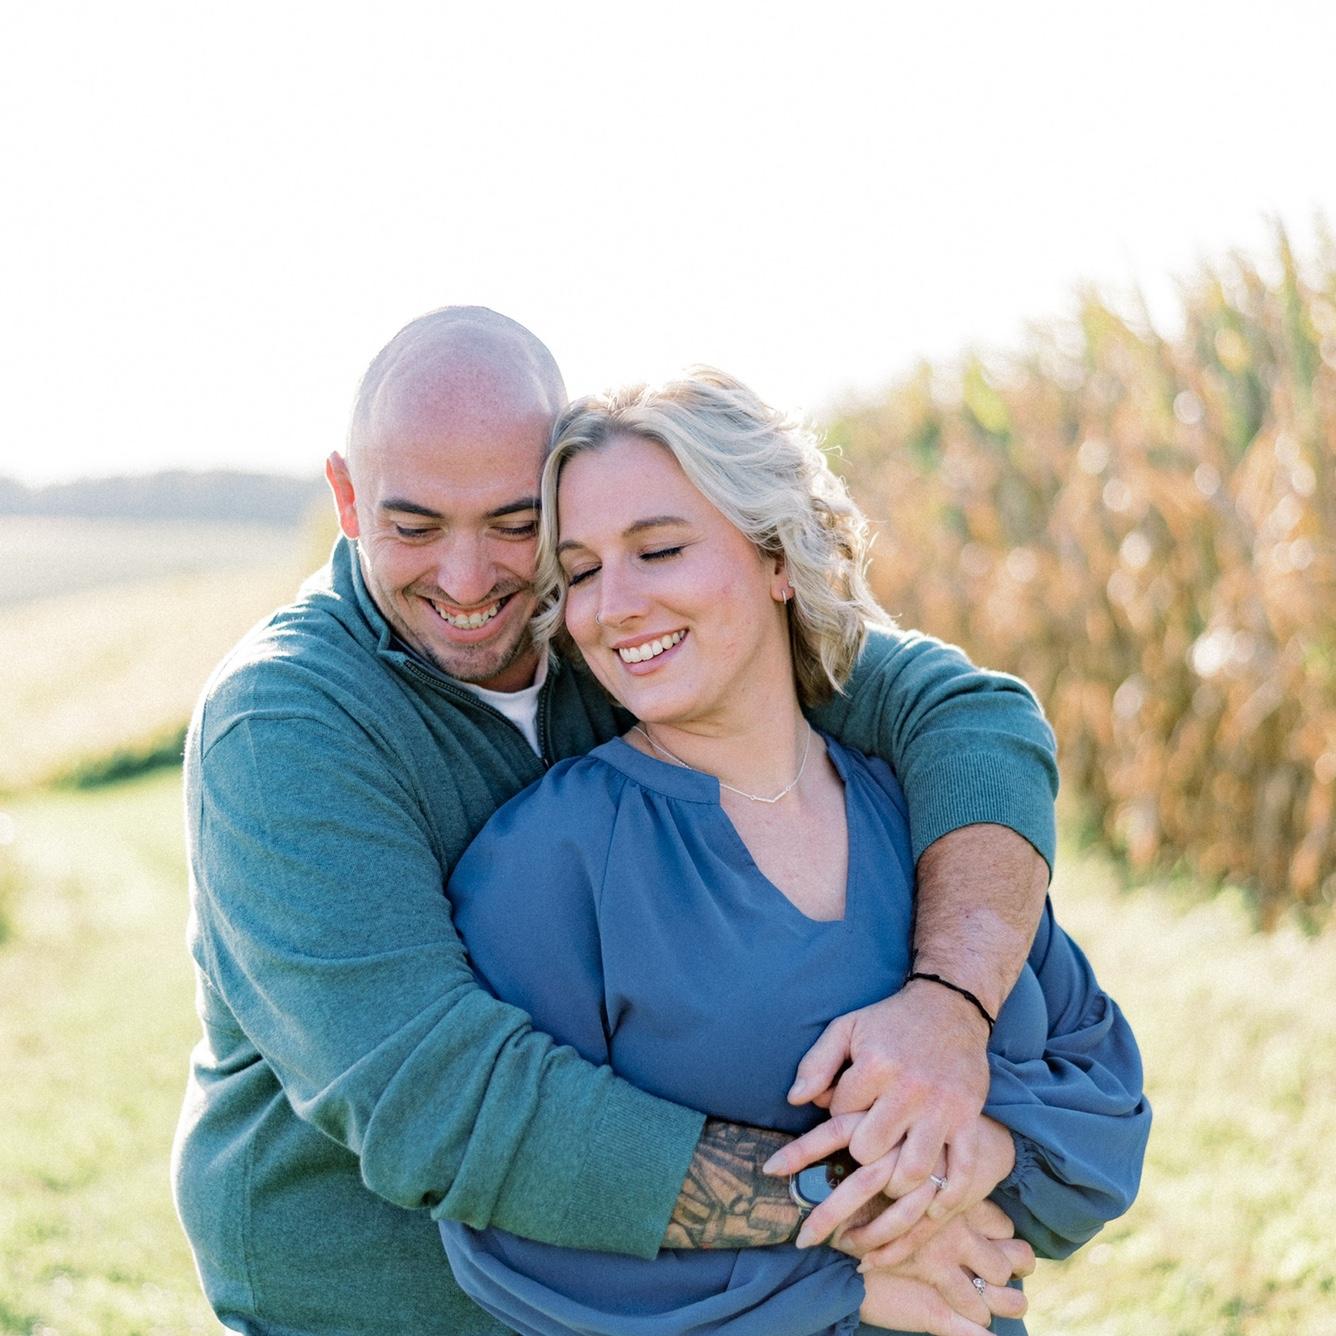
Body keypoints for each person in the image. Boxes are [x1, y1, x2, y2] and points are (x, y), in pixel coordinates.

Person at [172, 307, 1060, 1336]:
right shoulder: (283, 723)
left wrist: (950, 1002)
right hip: (383, 1309)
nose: (467, 581)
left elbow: (966, 718)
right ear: (346, 498)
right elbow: (443, 1105)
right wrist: (855, 1212)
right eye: (413, 527)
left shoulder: (625, 630)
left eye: (515, 525)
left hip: (663, 1304)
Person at [437, 370, 1149, 1335]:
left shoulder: (927, 816)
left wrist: (985, 1148)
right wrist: (843, 1279)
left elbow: (1104, 1107)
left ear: (777, 555)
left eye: (659, 550)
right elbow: (512, 1225)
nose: (615, 605)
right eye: (583, 571)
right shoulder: (544, 861)